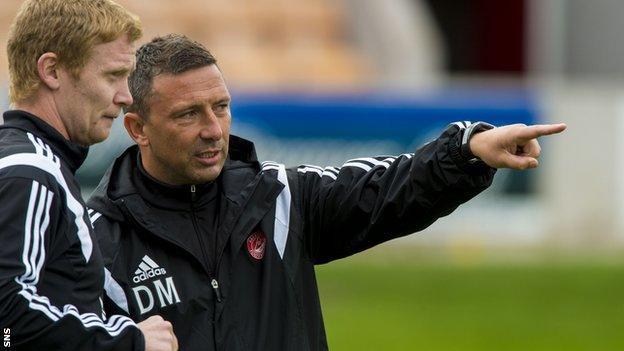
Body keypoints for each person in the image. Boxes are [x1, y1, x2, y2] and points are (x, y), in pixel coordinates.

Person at [87, 34, 566, 351]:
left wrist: (468, 151)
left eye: (222, 107)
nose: (214, 130)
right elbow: (13, 333)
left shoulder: (278, 197)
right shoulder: (95, 241)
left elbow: (386, 187)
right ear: (137, 128)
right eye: (188, 114)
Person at [0, 1, 178, 350]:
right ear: (51, 71)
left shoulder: (30, 162)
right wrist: (130, 341)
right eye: (113, 75)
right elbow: (6, 316)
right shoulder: (30, 172)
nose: (126, 96)